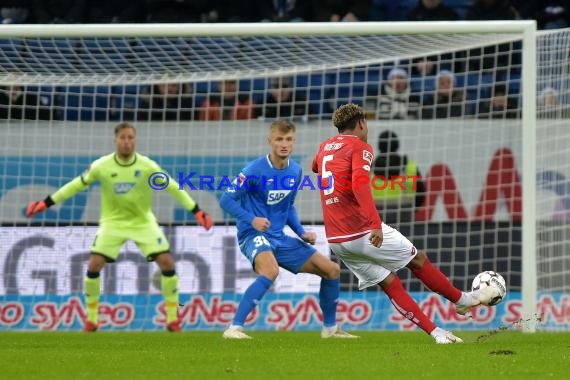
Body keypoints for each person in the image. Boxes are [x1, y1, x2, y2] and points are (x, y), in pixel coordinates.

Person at [311, 104, 496, 344]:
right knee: (418, 260)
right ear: (361, 124)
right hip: (361, 230)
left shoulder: (325, 146)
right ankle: (462, 301)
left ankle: (437, 333)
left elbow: (316, 166)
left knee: (389, 282)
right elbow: (359, 184)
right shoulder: (360, 146)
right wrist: (374, 223)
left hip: (337, 239)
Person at [25, 122, 213, 332]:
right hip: (112, 223)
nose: (126, 142)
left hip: (142, 222)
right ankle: (92, 320)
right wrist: (46, 203)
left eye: (130, 138)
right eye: (123, 138)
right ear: (115, 140)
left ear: (135, 140)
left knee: (167, 262)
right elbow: (75, 185)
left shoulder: (147, 166)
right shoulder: (101, 166)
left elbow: (173, 187)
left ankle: (172, 319)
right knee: (94, 265)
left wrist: (197, 210)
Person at [219, 119, 357, 340]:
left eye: (289, 139)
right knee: (270, 271)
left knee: (331, 270)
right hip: (253, 235)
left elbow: (288, 207)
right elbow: (226, 199)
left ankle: (330, 329)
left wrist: (301, 232)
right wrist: (251, 219)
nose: (284, 144)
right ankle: (234, 328)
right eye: (279, 139)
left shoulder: (295, 171)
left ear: (294, 142)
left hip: (279, 238)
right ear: (270, 141)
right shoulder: (254, 170)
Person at [372, 130, 425, 225]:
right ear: (397, 145)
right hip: (405, 223)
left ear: (379, 146)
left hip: (376, 226)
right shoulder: (410, 167)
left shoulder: (368, 170)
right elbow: (421, 194)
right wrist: (410, 211)